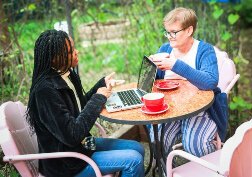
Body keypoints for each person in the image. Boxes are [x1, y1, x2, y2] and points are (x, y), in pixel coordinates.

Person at [26, 29, 145, 177]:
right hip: (67, 163)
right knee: (134, 160)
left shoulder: (66, 75)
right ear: (55, 59)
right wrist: (99, 98)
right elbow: (72, 135)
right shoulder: (44, 91)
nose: (77, 52)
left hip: (83, 146)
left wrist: (101, 86)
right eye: (70, 52)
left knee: (137, 148)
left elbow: (80, 106)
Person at [149, 7, 227, 158]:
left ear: (189, 30)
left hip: (199, 108)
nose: (169, 37)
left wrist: (175, 65)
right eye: (167, 32)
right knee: (158, 140)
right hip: (170, 109)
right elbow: (154, 84)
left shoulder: (204, 50)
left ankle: (209, 170)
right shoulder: (165, 49)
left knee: (196, 144)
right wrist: (151, 67)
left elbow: (210, 82)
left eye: (174, 32)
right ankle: (166, 169)